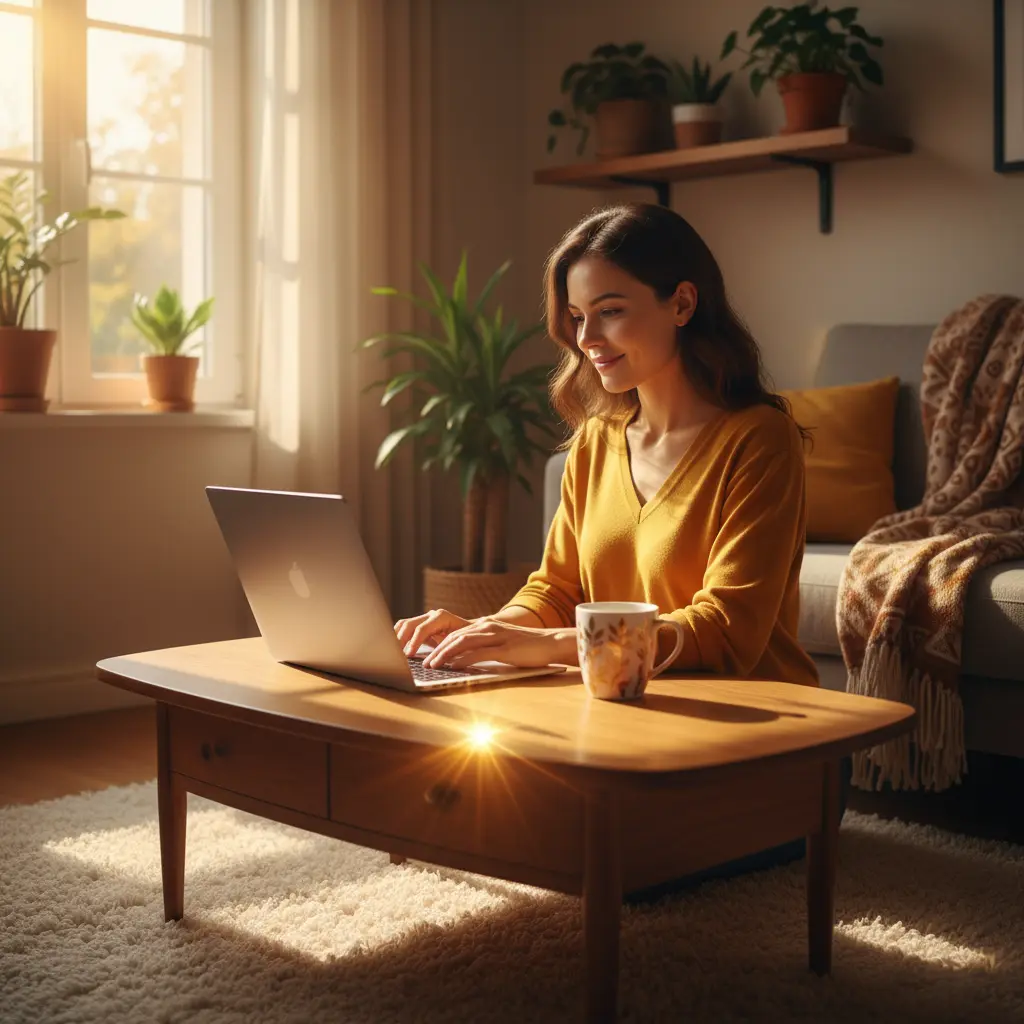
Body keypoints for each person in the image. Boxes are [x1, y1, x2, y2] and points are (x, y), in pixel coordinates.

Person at [394, 202, 849, 896]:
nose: (587, 339)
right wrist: (485, 632)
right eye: (576, 318)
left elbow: (726, 631)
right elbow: (554, 589)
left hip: (760, 750)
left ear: (683, 303)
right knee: (455, 798)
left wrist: (549, 650)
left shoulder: (760, 440)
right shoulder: (596, 443)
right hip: (627, 732)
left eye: (609, 311)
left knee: (581, 852)